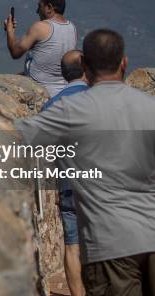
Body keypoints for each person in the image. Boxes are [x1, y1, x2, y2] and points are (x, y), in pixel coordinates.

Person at [0, 29, 155, 296]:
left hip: (110, 240)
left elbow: (20, 138)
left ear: (84, 66)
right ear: (124, 62)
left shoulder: (72, 109)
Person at [42, 49, 88, 296]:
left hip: (69, 184)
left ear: (63, 73)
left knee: (72, 245)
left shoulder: (53, 105)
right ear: (86, 68)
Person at [4, 0, 77, 97]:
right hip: (63, 91)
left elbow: (15, 52)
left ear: (49, 8)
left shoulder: (40, 27)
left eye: (40, 6)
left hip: (42, 92)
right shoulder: (72, 28)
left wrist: (10, 31)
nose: (37, 11)